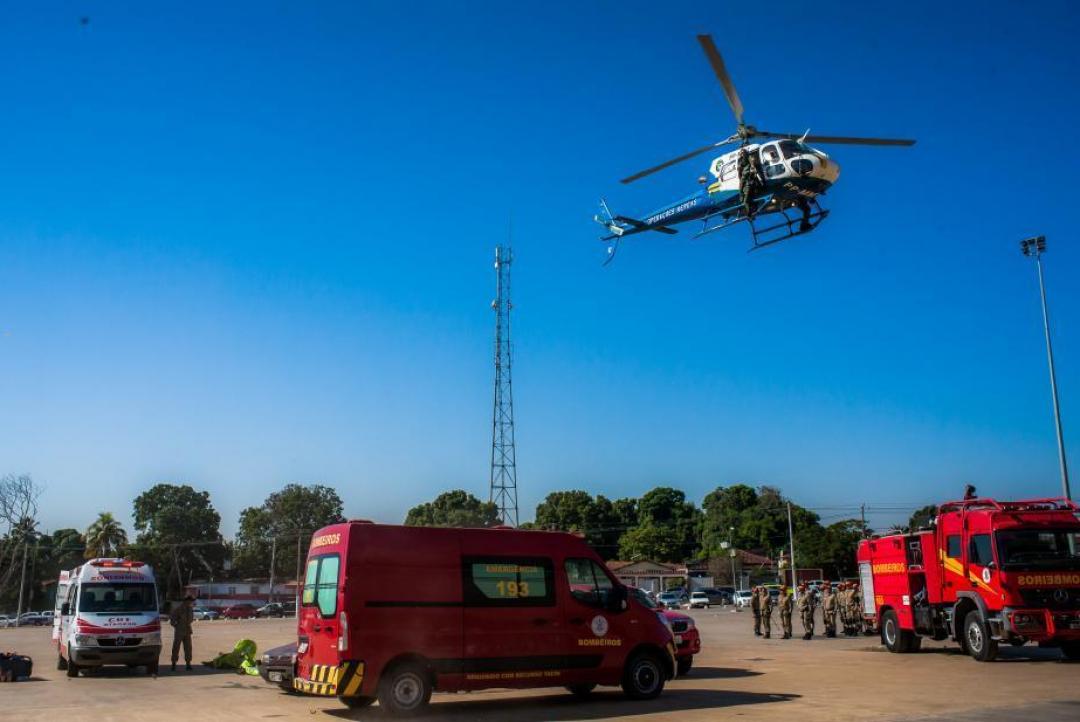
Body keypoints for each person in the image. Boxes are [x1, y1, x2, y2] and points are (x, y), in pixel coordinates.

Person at [169, 595, 195, 672]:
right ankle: (173, 663)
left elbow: (191, 619)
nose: (191, 602)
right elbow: (172, 620)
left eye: (191, 601)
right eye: (190, 601)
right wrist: (177, 626)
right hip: (179, 631)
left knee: (188, 648)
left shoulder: (190, 609)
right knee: (176, 647)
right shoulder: (179, 609)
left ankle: (188, 664)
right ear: (186, 601)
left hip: (187, 630)